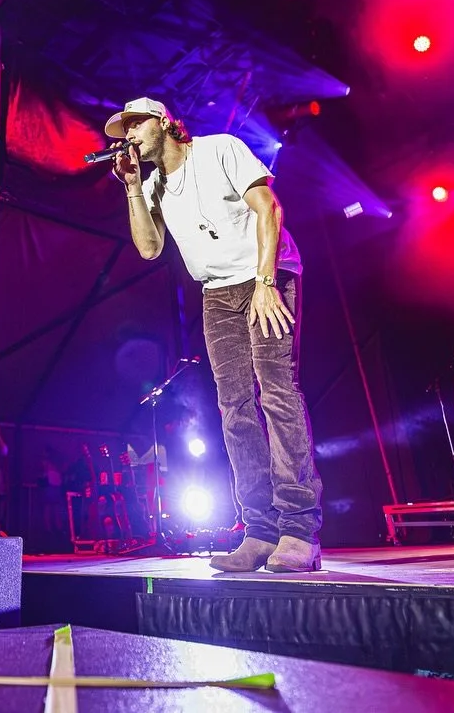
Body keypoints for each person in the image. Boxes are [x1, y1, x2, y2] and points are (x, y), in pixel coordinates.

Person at [108, 97, 323, 572]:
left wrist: (266, 282)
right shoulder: (155, 184)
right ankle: (261, 531)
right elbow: (149, 248)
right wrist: (133, 189)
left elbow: (269, 209)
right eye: (124, 130)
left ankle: (299, 530)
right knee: (235, 409)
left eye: (136, 124)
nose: (129, 135)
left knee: (277, 394)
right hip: (217, 293)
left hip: (267, 276)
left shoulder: (219, 148)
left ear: (163, 122)